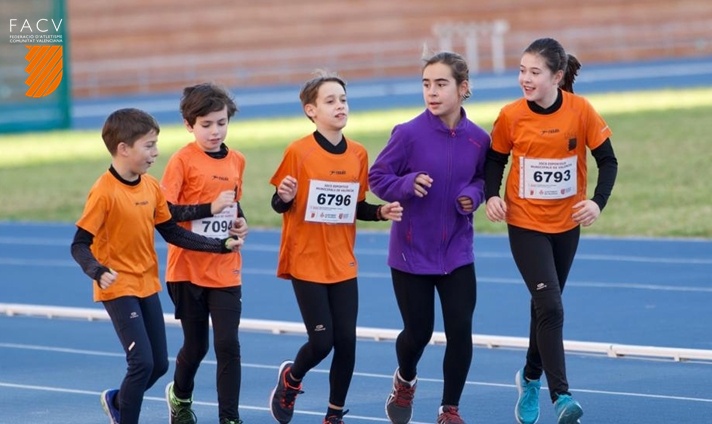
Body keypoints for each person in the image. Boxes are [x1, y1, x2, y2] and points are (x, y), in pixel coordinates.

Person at [70, 108, 242, 424]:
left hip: (147, 283)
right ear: (123, 148)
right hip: (118, 286)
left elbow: (173, 231)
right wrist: (97, 270)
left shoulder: (150, 187)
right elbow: (79, 244)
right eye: (149, 145)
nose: (156, 152)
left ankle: (119, 400)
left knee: (159, 365)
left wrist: (218, 246)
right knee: (141, 363)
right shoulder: (104, 192)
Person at [483, 38, 618, 424]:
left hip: (567, 223)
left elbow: (608, 161)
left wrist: (597, 202)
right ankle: (561, 395)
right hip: (525, 222)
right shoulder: (510, 115)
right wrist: (492, 195)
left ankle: (528, 378)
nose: (525, 78)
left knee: (544, 306)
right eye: (522, 70)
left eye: (534, 72)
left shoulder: (581, 111)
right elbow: (495, 159)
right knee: (552, 305)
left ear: (557, 77)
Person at [267, 71, 403, 424]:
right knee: (322, 342)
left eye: (343, 99)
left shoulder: (357, 153)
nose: (340, 106)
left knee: (347, 343)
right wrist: (283, 197)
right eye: (330, 101)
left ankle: (334, 414)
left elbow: (354, 206)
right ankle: (291, 378)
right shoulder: (298, 151)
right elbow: (279, 202)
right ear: (311, 111)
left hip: (342, 261)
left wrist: (380, 211)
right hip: (306, 259)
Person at [368, 51, 489, 424]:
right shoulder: (407, 134)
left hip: (456, 251)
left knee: (460, 331)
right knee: (418, 333)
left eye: (441, 84)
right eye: (426, 84)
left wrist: (475, 194)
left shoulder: (479, 139)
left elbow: (486, 179)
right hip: (410, 252)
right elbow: (377, 178)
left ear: (463, 88)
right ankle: (405, 379)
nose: (431, 92)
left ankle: (449, 409)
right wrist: (405, 183)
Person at [160, 83, 248, 424]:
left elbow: (233, 207)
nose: (215, 131)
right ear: (189, 125)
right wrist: (207, 207)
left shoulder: (237, 160)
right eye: (207, 124)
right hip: (187, 269)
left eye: (221, 123)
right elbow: (165, 214)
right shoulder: (181, 160)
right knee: (196, 347)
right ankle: (180, 396)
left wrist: (241, 224)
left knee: (228, 345)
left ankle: (230, 418)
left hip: (226, 266)